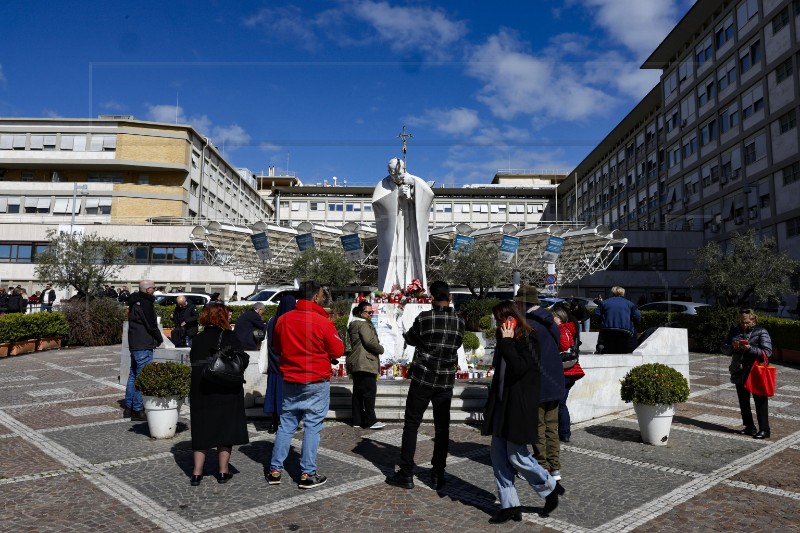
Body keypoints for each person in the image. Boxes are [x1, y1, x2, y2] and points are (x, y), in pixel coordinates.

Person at [482, 300, 565, 523]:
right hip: (502, 405)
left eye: (500, 319)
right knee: (499, 458)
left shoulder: (529, 338)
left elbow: (519, 368)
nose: (498, 324)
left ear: (512, 319)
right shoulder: (504, 339)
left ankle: (550, 487)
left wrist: (507, 342)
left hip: (519, 407)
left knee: (517, 456)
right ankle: (510, 506)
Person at [386, 280, 465, 491]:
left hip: (423, 378)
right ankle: (438, 473)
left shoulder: (425, 318)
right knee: (442, 429)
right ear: (449, 298)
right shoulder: (459, 322)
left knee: (411, 425)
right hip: (445, 381)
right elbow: (456, 344)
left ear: (431, 298)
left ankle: (406, 473)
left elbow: (410, 339)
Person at [267, 280, 344, 489]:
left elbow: (277, 345)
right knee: (312, 427)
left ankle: (275, 470)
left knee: (286, 425)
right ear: (316, 297)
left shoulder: (283, 320)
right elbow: (337, 350)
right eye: (321, 295)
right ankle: (307, 474)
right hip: (316, 380)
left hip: (291, 379)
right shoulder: (323, 322)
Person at [189, 302, 250, 486]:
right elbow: (242, 361)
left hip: (201, 388)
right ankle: (223, 471)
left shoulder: (198, 338)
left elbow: (194, 360)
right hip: (226, 389)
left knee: (201, 430)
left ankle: (196, 473)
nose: (230, 316)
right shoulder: (230, 336)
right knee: (226, 428)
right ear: (221, 316)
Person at [515, 285, 564, 481]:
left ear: (523, 303)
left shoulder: (527, 323)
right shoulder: (550, 320)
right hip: (555, 379)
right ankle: (555, 468)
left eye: (518, 301)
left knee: (538, 426)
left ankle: (540, 466)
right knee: (552, 426)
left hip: (537, 381)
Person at [372, 157, 435, 293]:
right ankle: (392, 287)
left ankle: (413, 285)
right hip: (395, 229)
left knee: (411, 252)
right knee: (395, 255)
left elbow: (428, 195)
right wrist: (396, 195)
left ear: (404, 170)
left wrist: (413, 191)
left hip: (411, 226)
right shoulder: (383, 184)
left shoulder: (414, 180)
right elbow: (378, 204)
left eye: (399, 174)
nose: (396, 177)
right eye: (392, 174)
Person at [722, 309, 773, 439]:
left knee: (760, 400)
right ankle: (749, 426)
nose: (744, 325)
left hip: (755, 371)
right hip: (738, 369)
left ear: (753, 320)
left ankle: (764, 430)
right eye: (742, 322)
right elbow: (724, 348)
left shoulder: (761, 331)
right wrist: (732, 347)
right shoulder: (734, 331)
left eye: (747, 322)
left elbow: (767, 352)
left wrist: (749, 348)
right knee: (743, 401)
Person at [124, 280, 163, 421]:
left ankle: (128, 408)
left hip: (135, 343)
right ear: (147, 290)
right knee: (142, 377)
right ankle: (138, 410)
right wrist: (159, 338)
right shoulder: (146, 303)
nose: (155, 290)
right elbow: (151, 325)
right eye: (153, 288)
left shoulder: (134, 301)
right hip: (143, 343)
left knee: (133, 375)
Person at [347, 301, 385, 430]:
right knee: (369, 392)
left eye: (372, 312)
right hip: (366, 362)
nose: (370, 315)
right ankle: (370, 420)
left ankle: (357, 420)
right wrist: (381, 349)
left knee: (358, 392)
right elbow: (369, 342)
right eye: (368, 312)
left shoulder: (353, 324)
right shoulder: (363, 325)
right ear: (360, 312)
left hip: (356, 362)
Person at [262, 295, 297, 433]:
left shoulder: (271, 321)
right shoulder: (290, 321)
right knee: (285, 396)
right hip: (286, 365)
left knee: (273, 394)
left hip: (273, 363)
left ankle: (273, 423)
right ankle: (285, 423)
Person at [552, 305, 585, 443]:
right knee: (561, 403)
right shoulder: (567, 329)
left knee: (560, 404)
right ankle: (563, 432)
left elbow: (564, 346)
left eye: (553, 316)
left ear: (559, 318)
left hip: (567, 372)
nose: (551, 318)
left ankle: (565, 432)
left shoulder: (560, 330)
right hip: (571, 372)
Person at [593, 286, 640, 354]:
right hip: (625, 332)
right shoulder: (630, 304)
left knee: (602, 333)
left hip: (607, 330)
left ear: (612, 293)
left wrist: (602, 323)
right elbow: (637, 316)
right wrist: (634, 325)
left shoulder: (604, 303)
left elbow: (596, 314)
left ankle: (601, 346)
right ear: (623, 293)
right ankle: (630, 349)